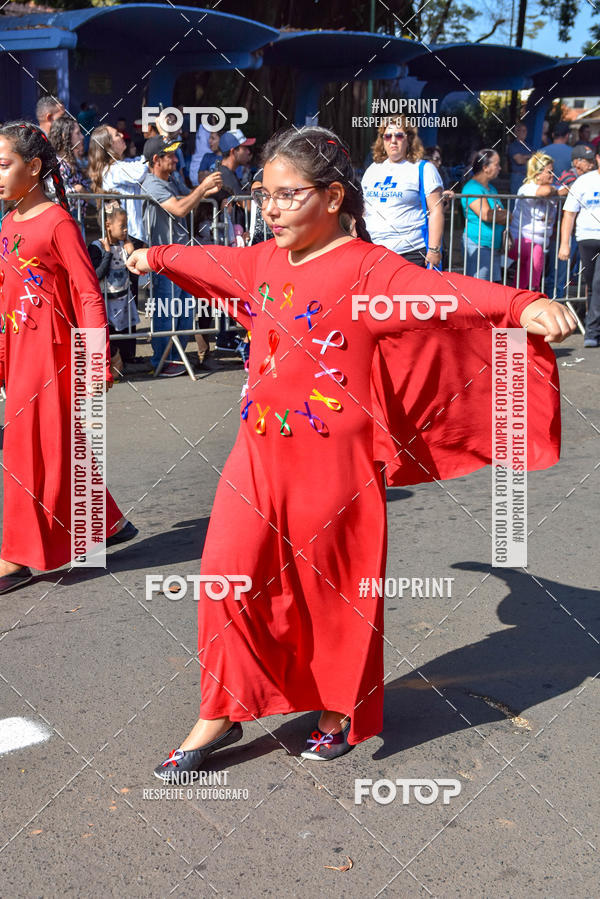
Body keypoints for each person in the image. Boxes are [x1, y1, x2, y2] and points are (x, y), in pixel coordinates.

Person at [125, 125, 575, 779]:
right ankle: (219, 709)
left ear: (333, 195)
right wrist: (153, 258)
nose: (271, 208)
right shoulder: (263, 262)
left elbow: (445, 292)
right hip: (256, 460)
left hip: (336, 467)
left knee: (332, 591)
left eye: (288, 195)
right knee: (226, 576)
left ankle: (337, 708)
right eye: (266, 196)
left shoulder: (369, 270)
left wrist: (524, 301)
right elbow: (209, 264)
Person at [0, 121, 138, 594]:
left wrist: (97, 360)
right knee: (54, 446)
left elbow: (88, 293)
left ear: (33, 167)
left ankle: (15, 556)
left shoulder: (58, 222)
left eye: (4, 165)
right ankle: (106, 522)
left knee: (31, 448)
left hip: (54, 353)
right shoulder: (8, 222)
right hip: (18, 351)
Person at [140, 135, 223, 376]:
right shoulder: (152, 183)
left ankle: (176, 358)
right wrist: (202, 188)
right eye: (171, 156)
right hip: (163, 256)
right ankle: (162, 361)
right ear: (156, 160)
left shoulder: (173, 178)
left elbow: (191, 198)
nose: (176, 160)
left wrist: (208, 190)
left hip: (182, 254)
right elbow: (180, 208)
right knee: (166, 311)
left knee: (186, 311)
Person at [362, 117, 444, 268]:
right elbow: (364, 210)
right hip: (373, 251)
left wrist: (434, 249)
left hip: (410, 253)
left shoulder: (424, 169)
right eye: (387, 136)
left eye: (399, 135)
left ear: (409, 139)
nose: (393, 141)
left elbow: (436, 210)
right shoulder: (372, 169)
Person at [88, 202, 141, 374]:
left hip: (124, 300)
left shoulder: (126, 244)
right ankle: (110, 363)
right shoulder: (96, 247)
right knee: (109, 333)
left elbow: (137, 268)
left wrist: (132, 251)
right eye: (122, 226)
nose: (126, 230)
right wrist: (108, 253)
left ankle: (127, 360)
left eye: (127, 226)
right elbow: (97, 274)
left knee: (126, 331)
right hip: (107, 302)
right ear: (108, 225)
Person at [559, 145, 600, 347]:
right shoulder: (584, 181)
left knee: (599, 283)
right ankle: (594, 330)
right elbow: (569, 213)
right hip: (586, 238)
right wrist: (564, 244)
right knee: (592, 285)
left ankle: (592, 331)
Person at [88, 124, 149, 242]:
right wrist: (154, 147)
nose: (122, 135)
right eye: (117, 135)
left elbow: (139, 162)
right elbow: (140, 171)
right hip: (129, 236)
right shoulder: (111, 170)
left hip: (135, 234)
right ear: (109, 145)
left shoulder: (122, 164)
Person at [507, 153, 558, 290]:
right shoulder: (527, 188)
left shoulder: (550, 188)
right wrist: (558, 191)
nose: (553, 175)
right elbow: (545, 191)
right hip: (520, 240)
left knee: (521, 282)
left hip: (540, 242)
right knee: (536, 251)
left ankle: (521, 295)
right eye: (549, 172)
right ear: (537, 174)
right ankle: (534, 289)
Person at [461, 148, 506, 281]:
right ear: (485, 167)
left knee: (492, 289)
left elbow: (500, 214)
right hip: (478, 245)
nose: (500, 168)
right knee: (478, 289)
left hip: (493, 247)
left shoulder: (491, 189)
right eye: (496, 164)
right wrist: (504, 215)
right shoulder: (472, 188)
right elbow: (486, 215)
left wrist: (503, 215)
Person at [48, 114, 90, 223]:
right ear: (64, 136)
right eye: (77, 133)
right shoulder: (55, 164)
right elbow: (59, 196)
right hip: (61, 221)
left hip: (77, 220)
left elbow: (87, 195)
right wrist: (78, 190)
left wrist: (81, 190)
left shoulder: (73, 162)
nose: (82, 137)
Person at [507, 122, 532, 195]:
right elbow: (519, 160)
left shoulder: (529, 146)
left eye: (525, 131)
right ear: (516, 132)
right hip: (517, 177)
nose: (524, 133)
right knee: (515, 199)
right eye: (522, 130)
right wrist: (529, 156)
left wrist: (523, 157)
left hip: (528, 177)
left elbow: (535, 159)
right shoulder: (513, 146)